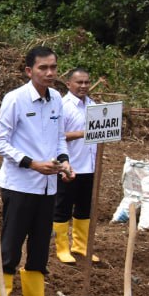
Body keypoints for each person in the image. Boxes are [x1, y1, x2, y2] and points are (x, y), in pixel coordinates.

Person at [0, 46, 74, 296]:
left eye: (53, 67)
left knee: (40, 246)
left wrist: (64, 161)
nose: (50, 73)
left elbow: (60, 137)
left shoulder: (57, 100)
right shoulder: (15, 99)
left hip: (48, 186)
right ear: (29, 71)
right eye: (43, 68)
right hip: (20, 184)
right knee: (11, 247)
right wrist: (31, 163)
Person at [54, 68, 99, 264]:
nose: (83, 86)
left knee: (84, 208)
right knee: (63, 207)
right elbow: (56, 136)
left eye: (86, 82)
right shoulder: (63, 106)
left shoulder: (94, 106)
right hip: (69, 166)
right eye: (79, 82)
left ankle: (80, 246)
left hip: (89, 166)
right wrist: (83, 133)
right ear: (69, 84)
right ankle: (62, 247)